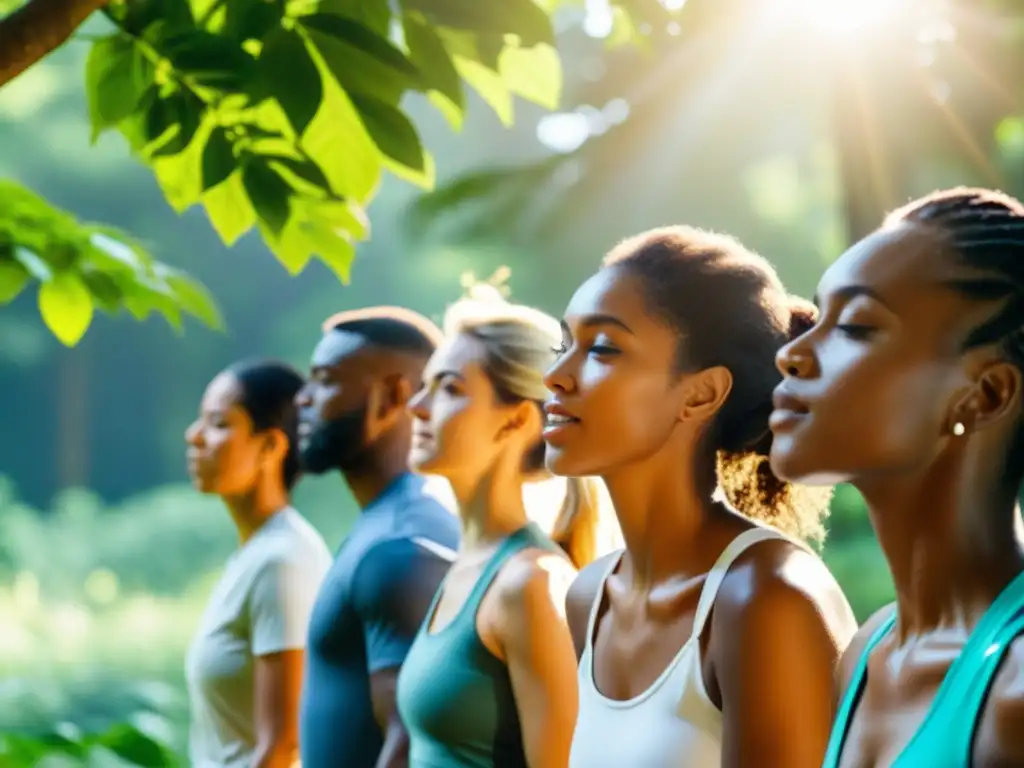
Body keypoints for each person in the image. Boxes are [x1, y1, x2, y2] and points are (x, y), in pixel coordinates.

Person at [545, 226, 859, 767]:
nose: (555, 377)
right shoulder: (590, 597)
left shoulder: (766, 600)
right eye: (562, 345)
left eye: (601, 348)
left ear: (701, 393)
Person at [770, 187, 1024, 767]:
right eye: (818, 317)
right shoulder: (867, 650)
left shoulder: (1016, 685)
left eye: (856, 326)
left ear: (984, 396)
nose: (794, 354)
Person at [398, 284, 605, 767]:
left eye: (449, 389)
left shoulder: (530, 584)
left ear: (516, 422)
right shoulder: (467, 565)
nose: (417, 407)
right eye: (426, 385)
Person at [296, 307, 462, 768]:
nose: (303, 400)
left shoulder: (403, 543)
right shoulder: (382, 525)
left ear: (392, 397)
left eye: (326, 380)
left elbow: (412, 740)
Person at [184, 359, 332, 768]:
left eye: (217, 423)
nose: (194, 436)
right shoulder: (253, 555)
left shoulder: (283, 562)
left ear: (270, 446)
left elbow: (283, 748)